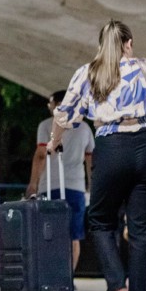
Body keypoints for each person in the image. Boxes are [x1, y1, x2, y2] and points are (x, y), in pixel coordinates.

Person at [48, 20, 146, 291]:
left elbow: (64, 113)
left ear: (101, 45)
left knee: (100, 220)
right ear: (129, 43)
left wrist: (55, 142)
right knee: (140, 229)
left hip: (112, 146)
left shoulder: (88, 72)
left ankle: (117, 284)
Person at [26, 90, 94, 271]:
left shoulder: (46, 126)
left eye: (50, 103)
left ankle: (49, 273)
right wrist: (91, 186)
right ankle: (68, 276)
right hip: (77, 187)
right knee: (74, 234)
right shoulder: (85, 128)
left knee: (48, 232)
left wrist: (33, 184)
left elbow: (41, 155)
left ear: (56, 104)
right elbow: (90, 160)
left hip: (49, 185)